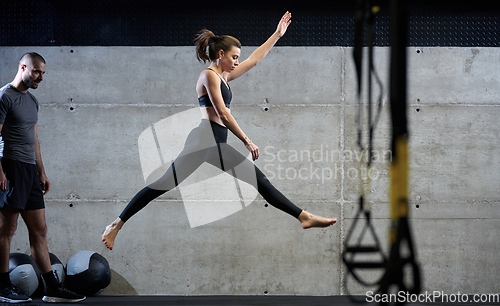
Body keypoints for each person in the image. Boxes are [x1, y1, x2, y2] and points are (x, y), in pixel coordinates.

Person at [102, 11, 337, 251]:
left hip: (215, 144)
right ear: (221, 54)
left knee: (259, 181)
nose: (237, 61)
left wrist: (277, 34)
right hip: (205, 141)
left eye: (238, 58)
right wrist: (247, 140)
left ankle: (303, 217)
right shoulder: (208, 76)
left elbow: (255, 59)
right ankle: (116, 225)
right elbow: (223, 113)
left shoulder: (223, 77)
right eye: (234, 57)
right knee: (163, 184)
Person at [0, 53, 86, 303]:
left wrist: (41, 171)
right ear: (23, 67)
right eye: (36, 72)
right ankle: (3, 287)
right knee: (7, 229)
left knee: (40, 230)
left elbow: (34, 139)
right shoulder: (5, 96)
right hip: (11, 167)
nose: (40, 77)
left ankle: (52, 287)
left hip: (28, 170)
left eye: (43, 73)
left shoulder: (32, 101)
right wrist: (0, 172)